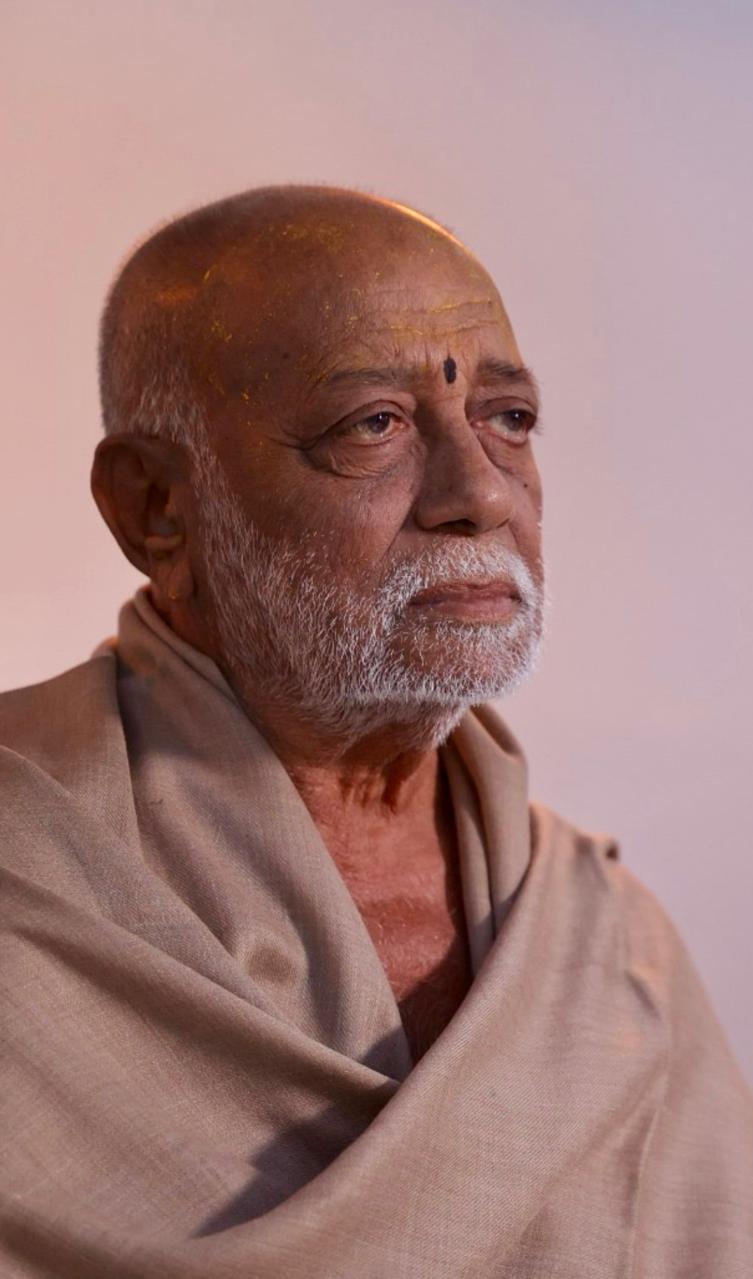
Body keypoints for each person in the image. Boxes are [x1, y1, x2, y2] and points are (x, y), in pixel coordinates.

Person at [0, 186, 750, 1279]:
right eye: (374, 425)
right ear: (156, 506)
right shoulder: (26, 864)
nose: (480, 495)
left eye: (508, 419)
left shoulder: (606, 947)